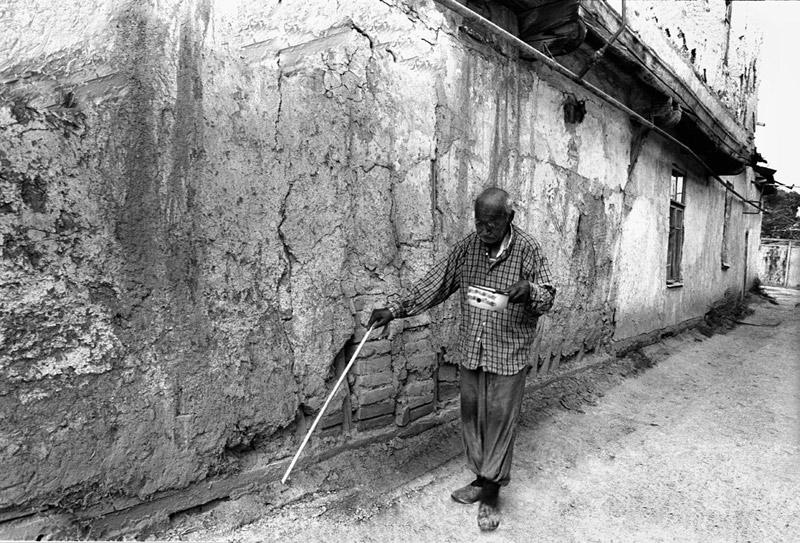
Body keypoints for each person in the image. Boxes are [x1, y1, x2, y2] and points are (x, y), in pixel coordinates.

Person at [368, 186, 555, 531]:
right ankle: (481, 477)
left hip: (508, 350)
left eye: (491, 225)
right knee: (472, 416)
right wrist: (393, 309)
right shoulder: (467, 249)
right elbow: (433, 285)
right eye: (479, 222)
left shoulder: (527, 250)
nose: (483, 231)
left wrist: (530, 292)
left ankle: (491, 491)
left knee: (499, 419)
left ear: (509, 219)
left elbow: (548, 297)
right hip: (473, 347)